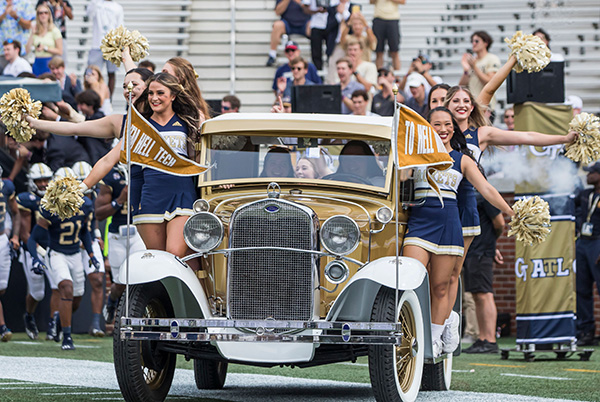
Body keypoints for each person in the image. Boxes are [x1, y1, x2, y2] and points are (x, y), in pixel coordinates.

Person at [403, 107, 514, 356]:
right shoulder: (416, 154)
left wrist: (512, 212)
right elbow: (401, 179)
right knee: (411, 280)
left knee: (441, 287)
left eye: (447, 124)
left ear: (454, 127)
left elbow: (486, 189)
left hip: (450, 226)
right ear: (427, 127)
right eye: (436, 124)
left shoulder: (463, 159)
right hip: (420, 225)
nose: (443, 129)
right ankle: (416, 328)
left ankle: (434, 336)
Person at [27, 167, 99, 350]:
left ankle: (60, 320)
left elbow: (84, 232)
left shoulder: (85, 204)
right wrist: (36, 258)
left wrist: (91, 254)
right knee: (66, 289)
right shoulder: (50, 208)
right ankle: (67, 337)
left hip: (76, 254)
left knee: (76, 299)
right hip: (57, 254)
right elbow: (33, 238)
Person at [96, 164, 146, 324]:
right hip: (118, 235)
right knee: (119, 283)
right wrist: (119, 201)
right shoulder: (111, 176)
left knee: (140, 277)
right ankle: (112, 301)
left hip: (139, 232)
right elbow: (99, 214)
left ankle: (135, 317)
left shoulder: (144, 170)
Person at [462, 191, 505, 353]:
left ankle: (490, 340)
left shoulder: (486, 195)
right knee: (476, 295)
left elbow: (499, 223)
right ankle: (482, 339)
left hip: (482, 252)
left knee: (484, 294)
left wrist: (491, 245)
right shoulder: (472, 195)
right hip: (473, 251)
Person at [17, 163, 54, 340]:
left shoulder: (56, 198)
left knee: (60, 286)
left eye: (46, 179)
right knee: (38, 293)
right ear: (32, 182)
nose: (43, 184)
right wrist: (39, 252)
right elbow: (25, 234)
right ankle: (29, 316)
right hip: (33, 248)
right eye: (39, 180)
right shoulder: (27, 200)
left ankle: (57, 325)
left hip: (53, 248)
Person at [72, 161, 106, 337]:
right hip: (71, 242)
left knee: (98, 279)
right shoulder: (68, 196)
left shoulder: (93, 197)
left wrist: (97, 234)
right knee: (70, 288)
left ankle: (95, 324)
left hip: (89, 239)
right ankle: (60, 321)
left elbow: (92, 219)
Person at [575, 162, 600, 346]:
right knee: (582, 289)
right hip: (583, 242)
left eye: (591, 173)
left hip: (598, 243)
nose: (587, 176)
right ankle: (586, 331)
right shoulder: (585, 194)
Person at [86, 0, 124, 97]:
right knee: (92, 73)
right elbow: (89, 14)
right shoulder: (96, 4)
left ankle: (108, 99)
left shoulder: (118, 7)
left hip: (112, 46)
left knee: (111, 73)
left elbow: (120, 26)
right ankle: (92, 97)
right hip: (96, 44)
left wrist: (119, 45)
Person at [0, 168, 20, 342]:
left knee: (2, 288)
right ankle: (2, 326)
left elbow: (16, 213)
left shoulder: (6, 187)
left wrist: (15, 235)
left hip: (2, 240)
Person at [458, 31, 501, 111]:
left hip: (486, 106)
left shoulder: (491, 58)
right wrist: (466, 70)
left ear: (486, 43)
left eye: (477, 41)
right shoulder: (473, 60)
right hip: (473, 105)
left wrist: (474, 67)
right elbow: (461, 86)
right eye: (472, 41)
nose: (473, 44)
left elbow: (490, 82)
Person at [266, 0, 310, 67]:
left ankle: (318, 57)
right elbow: (277, 12)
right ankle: (272, 55)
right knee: (277, 25)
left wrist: (300, 3)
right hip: (287, 23)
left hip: (305, 23)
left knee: (315, 27)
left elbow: (314, 10)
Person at [26, 3, 63, 76]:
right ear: (38, 15)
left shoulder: (54, 30)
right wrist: (32, 34)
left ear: (49, 15)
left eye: (46, 13)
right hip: (37, 61)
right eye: (41, 13)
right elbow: (27, 50)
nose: (43, 15)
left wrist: (45, 48)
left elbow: (60, 51)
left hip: (49, 62)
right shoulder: (35, 30)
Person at [301, 0, 338, 71]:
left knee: (331, 51)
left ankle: (331, 70)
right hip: (316, 24)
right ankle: (318, 72)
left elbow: (338, 7)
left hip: (331, 25)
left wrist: (329, 10)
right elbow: (305, 9)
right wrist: (317, 11)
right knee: (316, 52)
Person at [370, 0, 404, 70]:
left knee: (394, 51)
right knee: (379, 51)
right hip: (378, 18)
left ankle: (397, 76)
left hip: (393, 19)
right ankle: (379, 75)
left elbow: (403, 1)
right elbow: (371, 1)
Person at [0, 0, 35, 70]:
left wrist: (16, 17)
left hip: (20, 52)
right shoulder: (1, 4)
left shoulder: (25, 3)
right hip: (2, 51)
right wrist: (4, 14)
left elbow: (28, 26)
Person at [36, 0, 73, 64]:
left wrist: (62, 4)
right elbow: (38, 12)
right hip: (46, 35)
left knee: (60, 61)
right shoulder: (42, 1)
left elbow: (71, 16)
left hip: (60, 35)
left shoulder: (64, 1)